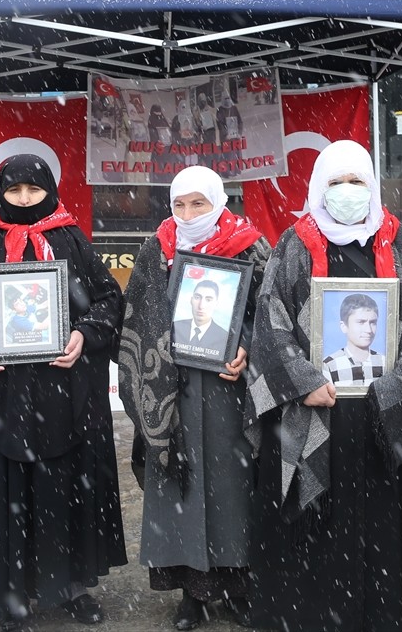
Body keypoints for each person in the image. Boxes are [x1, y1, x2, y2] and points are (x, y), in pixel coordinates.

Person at [245, 140, 402, 632]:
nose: (347, 193)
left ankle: (384, 616)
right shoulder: (293, 243)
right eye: (335, 183)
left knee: (380, 526)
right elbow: (270, 322)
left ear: (372, 186)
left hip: (380, 420)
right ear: (316, 187)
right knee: (314, 529)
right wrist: (302, 382)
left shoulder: (400, 242)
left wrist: (393, 388)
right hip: (313, 414)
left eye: (356, 182)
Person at [0, 154, 127, 632]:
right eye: (14, 190)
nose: (24, 199)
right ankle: (12, 596)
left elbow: (110, 297)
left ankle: (71, 586)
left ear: (50, 190)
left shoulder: (69, 238)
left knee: (67, 487)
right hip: (8, 395)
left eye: (34, 190)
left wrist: (83, 333)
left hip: (65, 393)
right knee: (11, 493)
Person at [118, 166, 270, 631]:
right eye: (179, 204)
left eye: (198, 204)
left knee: (234, 492)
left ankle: (238, 586)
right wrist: (160, 354)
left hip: (229, 396)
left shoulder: (251, 246)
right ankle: (192, 595)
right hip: (174, 397)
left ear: (219, 201)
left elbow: (274, 313)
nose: (188, 214)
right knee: (180, 494)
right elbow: (139, 315)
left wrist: (246, 345)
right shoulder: (156, 250)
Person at [321, 292, 386, 387]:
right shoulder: (329, 364)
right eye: (361, 322)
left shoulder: (385, 363)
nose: (369, 330)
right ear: (344, 326)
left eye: (373, 322)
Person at [171, 279, 233, 359]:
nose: (201, 306)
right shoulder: (174, 327)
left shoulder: (225, 338)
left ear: (216, 304)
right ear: (191, 300)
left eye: (208, 300)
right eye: (197, 297)